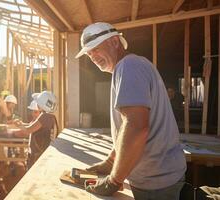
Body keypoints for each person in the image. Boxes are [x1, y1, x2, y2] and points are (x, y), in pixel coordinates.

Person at [75, 22, 186, 199]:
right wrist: (111, 161)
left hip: (156, 183)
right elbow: (125, 129)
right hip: (159, 177)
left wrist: (113, 181)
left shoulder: (129, 67)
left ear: (114, 42)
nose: (92, 56)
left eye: (95, 48)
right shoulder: (130, 66)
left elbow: (136, 127)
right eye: (88, 53)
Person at [13, 91, 57, 169]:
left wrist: (19, 125)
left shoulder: (44, 117)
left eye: (38, 102)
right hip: (43, 153)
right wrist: (22, 124)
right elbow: (34, 127)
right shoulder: (51, 117)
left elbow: (28, 130)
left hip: (38, 155)